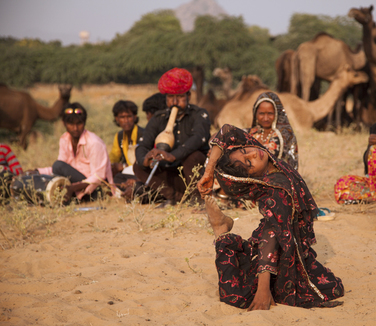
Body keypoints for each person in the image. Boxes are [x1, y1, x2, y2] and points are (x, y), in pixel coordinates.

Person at [198, 124, 344, 310]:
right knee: (238, 296)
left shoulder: (265, 156)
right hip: (272, 247)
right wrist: (263, 289)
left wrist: (209, 170)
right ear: (251, 178)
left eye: (245, 150)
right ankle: (221, 230)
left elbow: (227, 131)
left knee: (333, 287)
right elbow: (272, 232)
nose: (252, 154)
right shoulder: (275, 191)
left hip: (288, 245)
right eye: (249, 163)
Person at [134, 68, 210, 206]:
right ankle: (175, 198)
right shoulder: (159, 118)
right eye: (170, 97)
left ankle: (198, 198)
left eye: (180, 97)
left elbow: (198, 138)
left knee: (192, 156)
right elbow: (143, 145)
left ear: (189, 96)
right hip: (172, 176)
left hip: (196, 175)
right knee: (138, 166)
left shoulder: (199, 114)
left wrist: (173, 155)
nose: (175, 102)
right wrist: (145, 159)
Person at [36, 102, 114, 202]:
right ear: (64, 123)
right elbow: (62, 167)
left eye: (79, 123)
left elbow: (98, 177)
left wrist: (73, 188)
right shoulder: (64, 139)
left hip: (95, 189)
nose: (75, 128)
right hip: (75, 185)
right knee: (55, 169)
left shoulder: (94, 143)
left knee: (58, 166)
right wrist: (38, 171)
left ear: (84, 123)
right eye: (71, 124)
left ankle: (77, 196)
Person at [247, 92, 298, 170]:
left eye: (270, 113)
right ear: (255, 113)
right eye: (261, 113)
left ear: (277, 113)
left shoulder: (285, 136)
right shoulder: (249, 133)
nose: (266, 118)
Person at [109, 100, 144, 184]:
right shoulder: (119, 136)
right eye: (122, 117)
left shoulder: (144, 134)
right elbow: (113, 157)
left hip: (141, 173)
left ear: (135, 117)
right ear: (117, 119)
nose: (126, 120)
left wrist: (124, 166)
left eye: (129, 116)